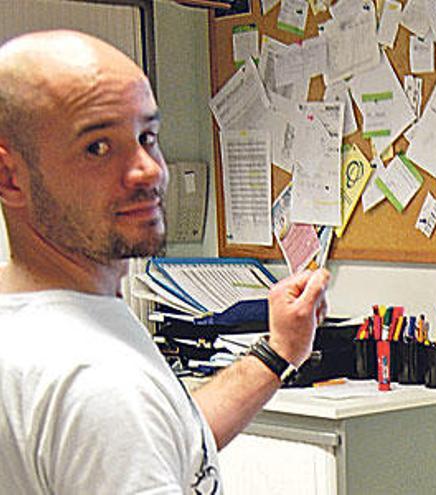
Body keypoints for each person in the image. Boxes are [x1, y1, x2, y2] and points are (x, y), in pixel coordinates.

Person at [0, 30, 330, 494]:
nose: (149, 169)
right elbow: (121, 421)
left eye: (147, 136)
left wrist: (278, 351)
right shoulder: (99, 378)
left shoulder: (30, 324)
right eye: (98, 147)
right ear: (9, 176)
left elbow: (165, 444)